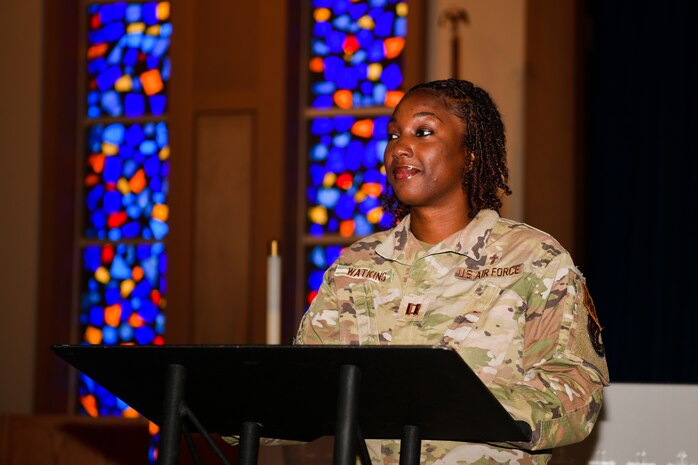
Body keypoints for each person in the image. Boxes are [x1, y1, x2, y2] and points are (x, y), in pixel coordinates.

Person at [295, 78, 609, 465]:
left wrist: (458, 406)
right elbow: (304, 388)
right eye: (394, 135)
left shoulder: (535, 260)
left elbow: (576, 393)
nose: (400, 147)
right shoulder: (355, 264)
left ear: (471, 154)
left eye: (423, 132)